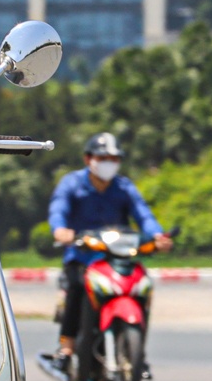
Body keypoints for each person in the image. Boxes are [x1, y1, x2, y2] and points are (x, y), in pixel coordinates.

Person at [46, 132, 172, 368]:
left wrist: (157, 236)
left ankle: (136, 353)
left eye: (114, 159)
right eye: (103, 157)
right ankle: (66, 348)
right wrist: (60, 230)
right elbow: (58, 210)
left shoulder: (124, 188)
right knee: (76, 287)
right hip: (82, 258)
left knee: (141, 287)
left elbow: (143, 214)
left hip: (117, 258)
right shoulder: (71, 184)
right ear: (88, 159)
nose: (109, 163)